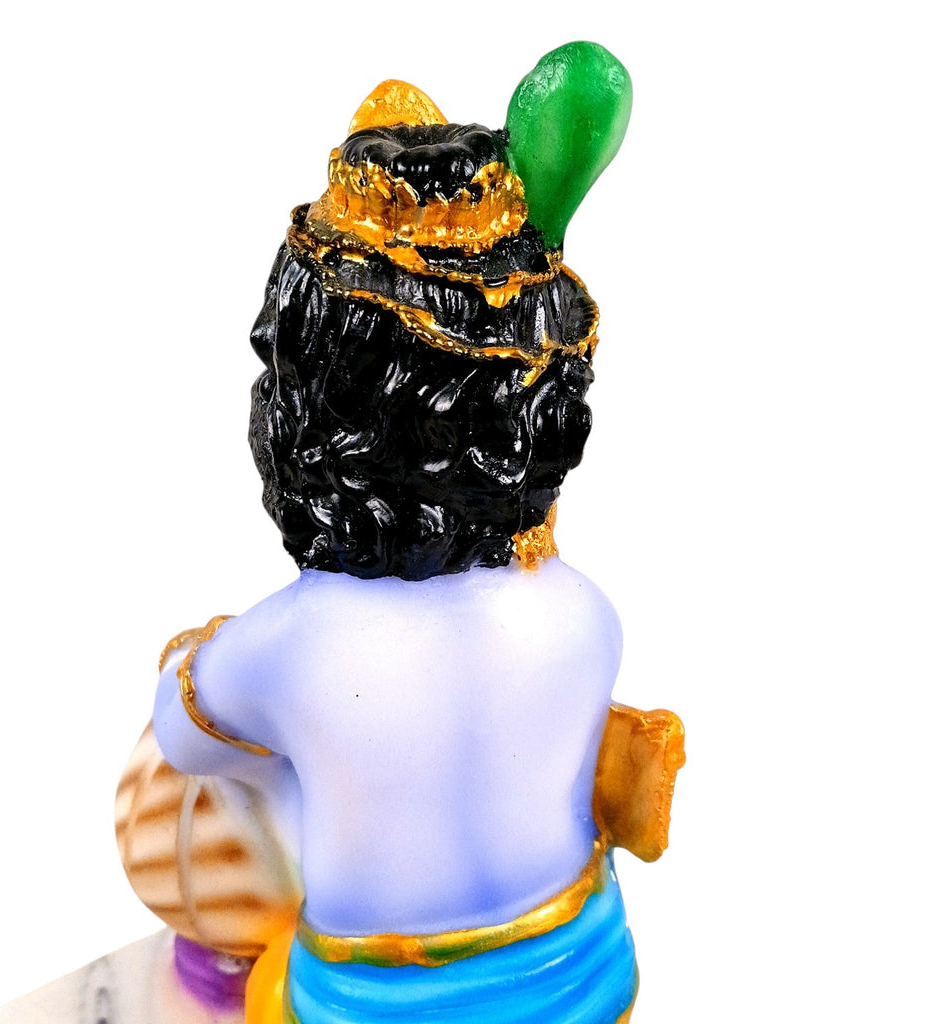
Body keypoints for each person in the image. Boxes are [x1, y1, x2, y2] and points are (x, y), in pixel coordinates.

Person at [150, 44, 679, 1024]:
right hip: (590, 982)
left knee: (209, 805)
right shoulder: (585, 614)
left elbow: (183, 733)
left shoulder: (293, 643)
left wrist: (193, 654)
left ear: (301, 414)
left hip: (371, 1004)